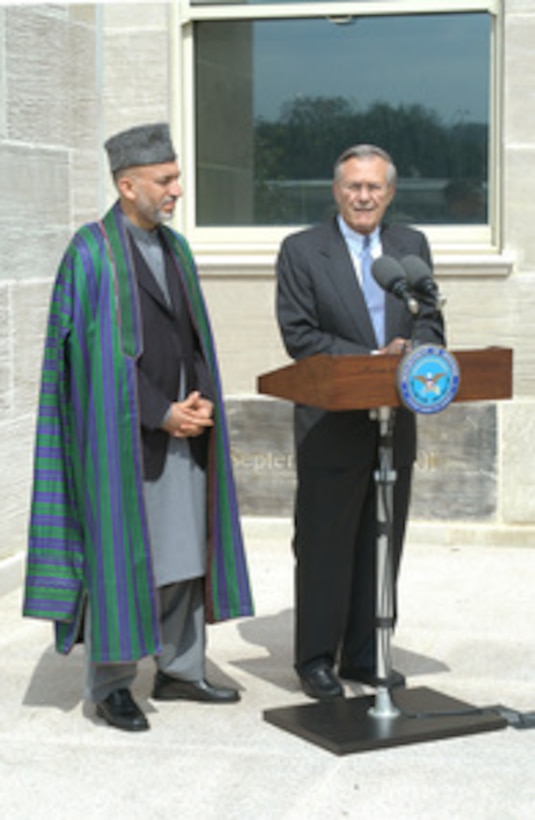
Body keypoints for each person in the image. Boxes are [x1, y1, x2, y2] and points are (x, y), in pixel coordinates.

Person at [23, 123, 253, 731]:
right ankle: (112, 686)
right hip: (122, 437)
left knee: (184, 555)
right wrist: (160, 411)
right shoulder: (90, 251)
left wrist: (198, 403)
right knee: (122, 558)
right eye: (165, 180)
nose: (177, 190)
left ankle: (179, 671)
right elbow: (91, 358)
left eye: (176, 177)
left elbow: (192, 333)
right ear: (128, 186)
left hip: (186, 427)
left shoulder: (176, 247)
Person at [276, 144, 445, 700]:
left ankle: (367, 652)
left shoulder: (410, 247)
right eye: (353, 186)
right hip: (330, 421)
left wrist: (411, 352)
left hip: (394, 421)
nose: (363, 196)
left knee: (382, 540)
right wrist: (371, 360)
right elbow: (300, 335)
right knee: (325, 543)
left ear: (390, 192)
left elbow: (431, 322)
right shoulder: (302, 251)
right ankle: (317, 659)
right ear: (336, 191)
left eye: (374, 187)